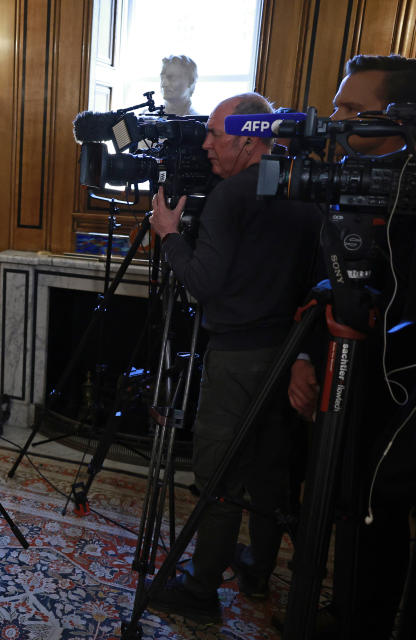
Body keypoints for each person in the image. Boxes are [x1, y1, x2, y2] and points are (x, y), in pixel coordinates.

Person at [145, 92, 321, 623]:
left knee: (218, 475)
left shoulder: (229, 197)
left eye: (215, 133)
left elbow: (200, 285)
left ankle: (199, 592)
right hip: (288, 355)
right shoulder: (304, 188)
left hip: (238, 357)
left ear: (248, 138)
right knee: (270, 472)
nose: (204, 143)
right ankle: (258, 569)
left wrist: (171, 236)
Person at [286, 54, 416, 640]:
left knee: (375, 509)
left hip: (398, 397)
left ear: (402, 118)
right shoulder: (341, 182)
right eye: (335, 105)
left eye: (351, 110)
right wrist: (310, 354)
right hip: (342, 375)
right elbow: (331, 277)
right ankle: (338, 604)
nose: (334, 121)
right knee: (340, 497)